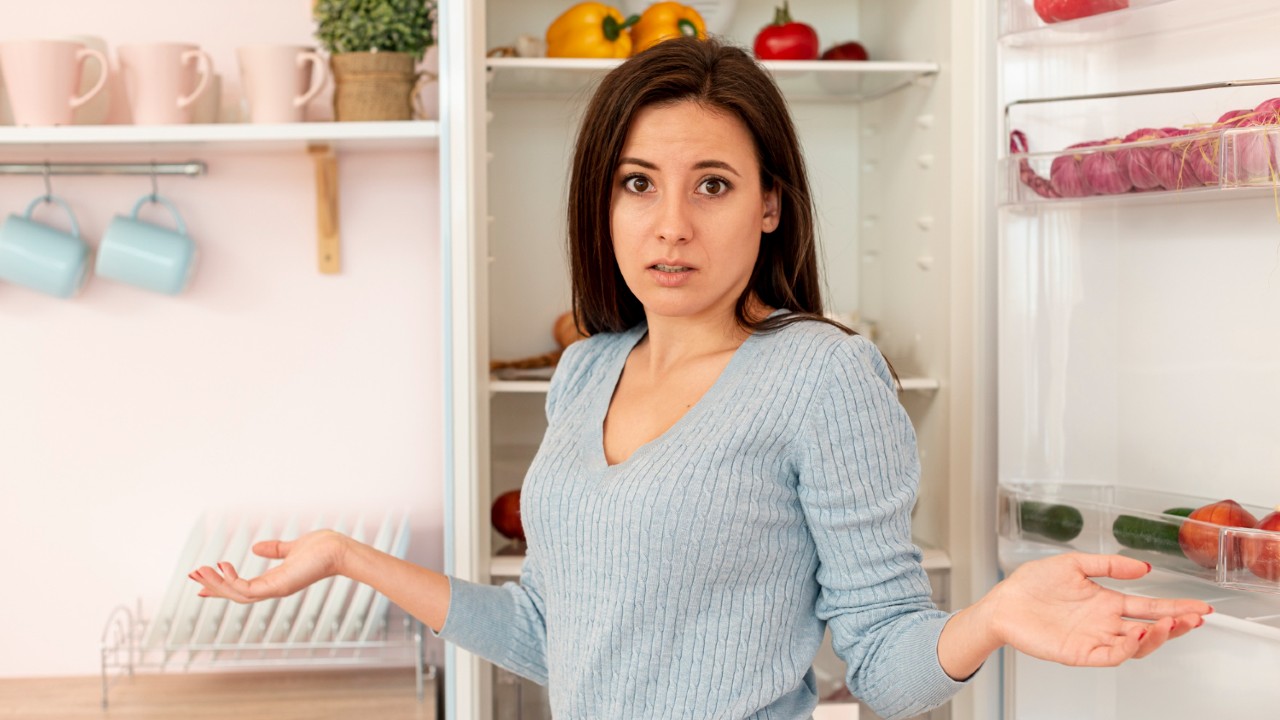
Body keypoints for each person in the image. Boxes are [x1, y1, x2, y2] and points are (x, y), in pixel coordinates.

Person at [189, 37, 1212, 719]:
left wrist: (984, 620)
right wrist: (346, 558)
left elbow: (883, 661)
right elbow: (552, 635)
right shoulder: (584, 373)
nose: (669, 224)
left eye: (711, 186)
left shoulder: (823, 374)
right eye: (637, 185)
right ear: (604, 202)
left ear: (769, 204)